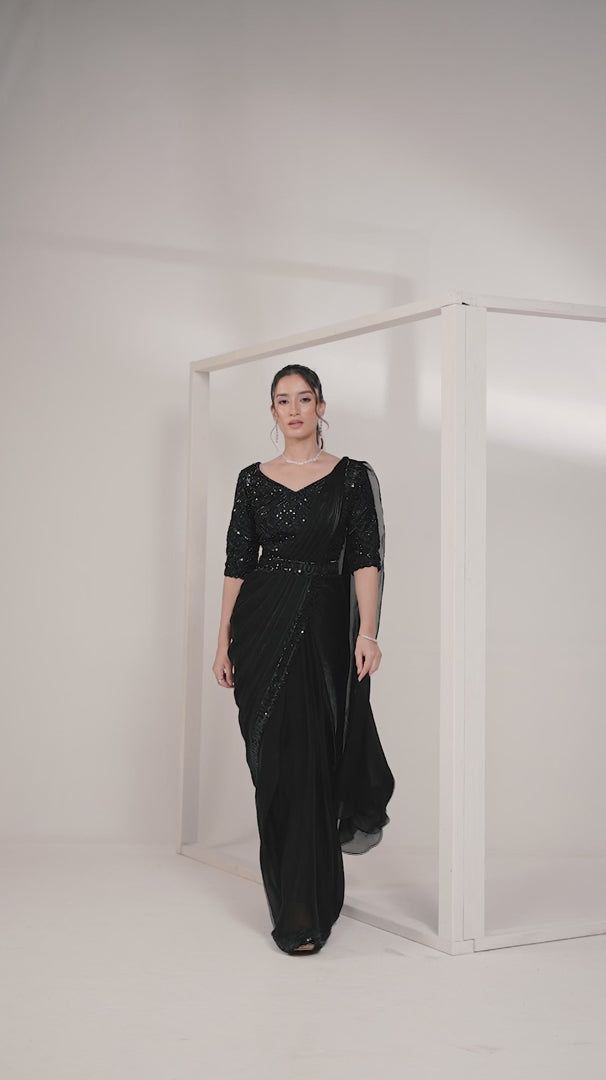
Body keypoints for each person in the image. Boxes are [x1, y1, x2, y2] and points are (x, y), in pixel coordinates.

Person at [212, 363, 395, 955]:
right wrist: (222, 640)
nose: (293, 409)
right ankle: (289, 901)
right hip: (260, 629)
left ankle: (310, 907)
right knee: (276, 769)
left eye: (304, 398)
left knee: (316, 761)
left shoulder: (351, 478)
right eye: (282, 401)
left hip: (323, 631)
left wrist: (369, 632)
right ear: (272, 412)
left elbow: (365, 558)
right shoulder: (251, 481)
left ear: (321, 406)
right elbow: (237, 564)